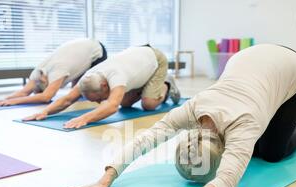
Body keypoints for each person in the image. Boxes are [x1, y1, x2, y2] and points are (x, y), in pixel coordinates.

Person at [59, 44, 296, 187]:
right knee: (255, 146)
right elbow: (145, 140)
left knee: (272, 153)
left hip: (294, 68)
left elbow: (227, 182)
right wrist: (105, 179)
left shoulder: (244, 125)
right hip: (250, 61)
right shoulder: (192, 109)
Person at [23, 45, 181, 129]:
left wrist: (84, 118)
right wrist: (44, 112)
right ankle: (146, 84)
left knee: (149, 104)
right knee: (125, 104)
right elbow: (67, 99)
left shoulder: (116, 76)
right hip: (136, 62)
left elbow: (112, 106)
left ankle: (167, 84)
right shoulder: (89, 77)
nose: (99, 103)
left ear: (105, 85)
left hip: (155, 59)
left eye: (99, 99)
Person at [0, 38, 107, 106]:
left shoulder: (58, 71)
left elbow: (46, 97)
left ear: (45, 84)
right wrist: (5, 99)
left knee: (85, 88)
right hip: (81, 46)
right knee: (77, 90)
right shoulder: (38, 72)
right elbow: (24, 92)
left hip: (97, 50)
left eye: (37, 91)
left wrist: (14, 102)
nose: (34, 91)